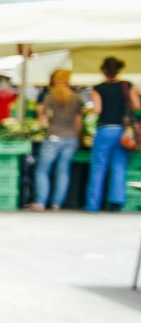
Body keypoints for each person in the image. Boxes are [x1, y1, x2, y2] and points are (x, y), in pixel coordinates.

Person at [32, 69, 85, 211]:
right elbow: (78, 121)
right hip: (71, 139)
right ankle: (57, 204)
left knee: (43, 170)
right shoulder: (77, 98)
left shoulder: (50, 97)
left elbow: (45, 118)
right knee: (63, 171)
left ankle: (41, 202)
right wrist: (78, 137)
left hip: (53, 137)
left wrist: (40, 120)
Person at [85, 56, 133, 213]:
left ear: (103, 70)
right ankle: (116, 203)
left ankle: (93, 205)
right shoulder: (127, 86)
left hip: (105, 130)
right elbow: (136, 105)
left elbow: (97, 110)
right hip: (123, 131)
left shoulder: (98, 88)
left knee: (98, 168)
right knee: (119, 167)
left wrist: (89, 112)